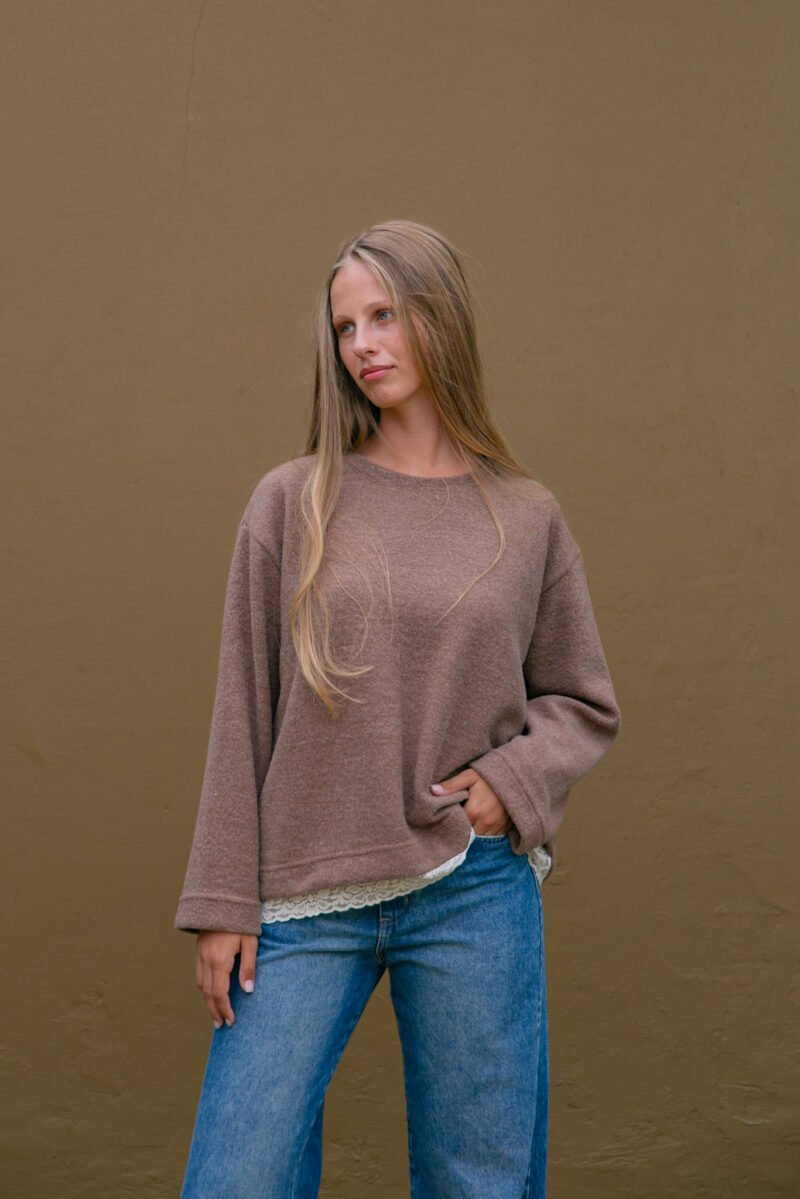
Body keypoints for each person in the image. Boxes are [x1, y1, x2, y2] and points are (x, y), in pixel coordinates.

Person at [174, 218, 622, 1198]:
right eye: (345, 327)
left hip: (472, 888)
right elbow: (242, 707)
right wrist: (219, 901)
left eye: (384, 316)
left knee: (480, 1180)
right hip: (304, 891)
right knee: (236, 1176)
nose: (362, 344)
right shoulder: (292, 500)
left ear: (439, 317)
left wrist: (508, 782)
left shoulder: (525, 516)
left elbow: (580, 698)